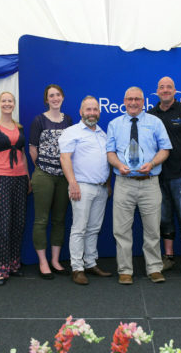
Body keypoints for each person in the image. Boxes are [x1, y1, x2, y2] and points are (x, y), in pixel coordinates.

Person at [107, 86, 172, 285]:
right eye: (130, 99)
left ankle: (154, 268)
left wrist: (152, 163)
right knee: (121, 230)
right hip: (124, 184)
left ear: (143, 102)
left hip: (150, 183)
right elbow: (110, 152)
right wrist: (118, 165)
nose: (133, 102)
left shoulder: (155, 122)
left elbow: (165, 149)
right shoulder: (114, 124)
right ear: (124, 101)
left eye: (137, 99)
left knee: (152, 229)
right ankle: (125, 270)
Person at [148, 76, 181, 279]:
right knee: (164, 218)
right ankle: (168, 256)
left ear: (175, 90)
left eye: (169, 87)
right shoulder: (151, 115)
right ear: (157, 91)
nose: (165, 90)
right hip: (158, 176)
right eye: (161, 87)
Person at [59, 96, 112, 285]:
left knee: (94, 228)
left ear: (99, 112)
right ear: (81, 112)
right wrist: (72, 183)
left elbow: (106, 161)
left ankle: (90, 263)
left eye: (95, 109)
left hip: (101, 188)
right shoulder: (71, 132)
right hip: (81, 186)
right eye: (88, 109)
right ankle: (77, 268)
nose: (92, 113)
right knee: (79, 229)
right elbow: (65, 158)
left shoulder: (103, 134)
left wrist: (107, 185)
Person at [0, 92, 31, 286]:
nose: (7, 103)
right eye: (3, 101)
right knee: (3, 226)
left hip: (20, 179)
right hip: (1, 178)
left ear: (14, 104)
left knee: (18, 224)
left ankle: (13, 264)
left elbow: (23, 154)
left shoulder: (19, 127)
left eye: (10, 101)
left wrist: (28, 178)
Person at [29, 84, 73, 279]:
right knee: (41, 220)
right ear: (46, 100)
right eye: (51, 96)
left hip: (64, 177)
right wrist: (43, 167)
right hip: (44, 175)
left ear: (62, 97)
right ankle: (43, 262)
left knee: (59, 219)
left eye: (57, 95)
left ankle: (55, 260)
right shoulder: (39, 120)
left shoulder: (68, 120)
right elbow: (33, 150)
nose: (55, 98)